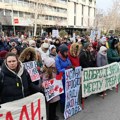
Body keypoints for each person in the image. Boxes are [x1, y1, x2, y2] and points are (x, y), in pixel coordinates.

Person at [55, 44, 72, 113]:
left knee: (68, 92)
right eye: (65, 52)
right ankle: (63, 109)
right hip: (61, 79)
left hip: (68, 77)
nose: (67, 53)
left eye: (67, 52)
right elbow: (59, 70)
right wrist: (67, 69)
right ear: (61, 52)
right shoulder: (57, 59)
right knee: (63, 94)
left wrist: (71, 67)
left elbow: (69, 64)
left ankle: (69, 105)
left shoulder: (67, 57)